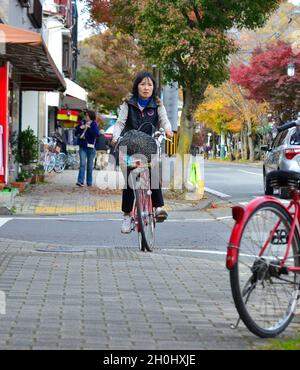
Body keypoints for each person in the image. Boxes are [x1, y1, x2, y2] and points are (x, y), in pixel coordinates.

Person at [112, 71, 173, 234]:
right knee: (130, 179)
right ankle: (127, 216)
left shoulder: (157, 104)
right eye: (143, 84)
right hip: (130, 145)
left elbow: (164, 120)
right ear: (137, 86)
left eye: (150, 85)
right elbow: (119, 123)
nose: (146, 88)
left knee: (153, 171)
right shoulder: (128, 103)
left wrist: (168, 129)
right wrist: (115, 137)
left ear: (154, 88)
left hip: (149, 145)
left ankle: (159, 207)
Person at [75, 110, 99, 187]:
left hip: (91, 147)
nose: (86, 117)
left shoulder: (94, 124)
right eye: (85, 115)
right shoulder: (82, 122)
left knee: (89, 165)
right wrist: (81, 127)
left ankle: (89, 182)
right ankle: (80, 181)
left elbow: (96, 134)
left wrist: (89, 128)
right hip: (82, 146)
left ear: (91, 116)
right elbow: (76, 132)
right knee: (82, 163)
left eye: (87, 116)